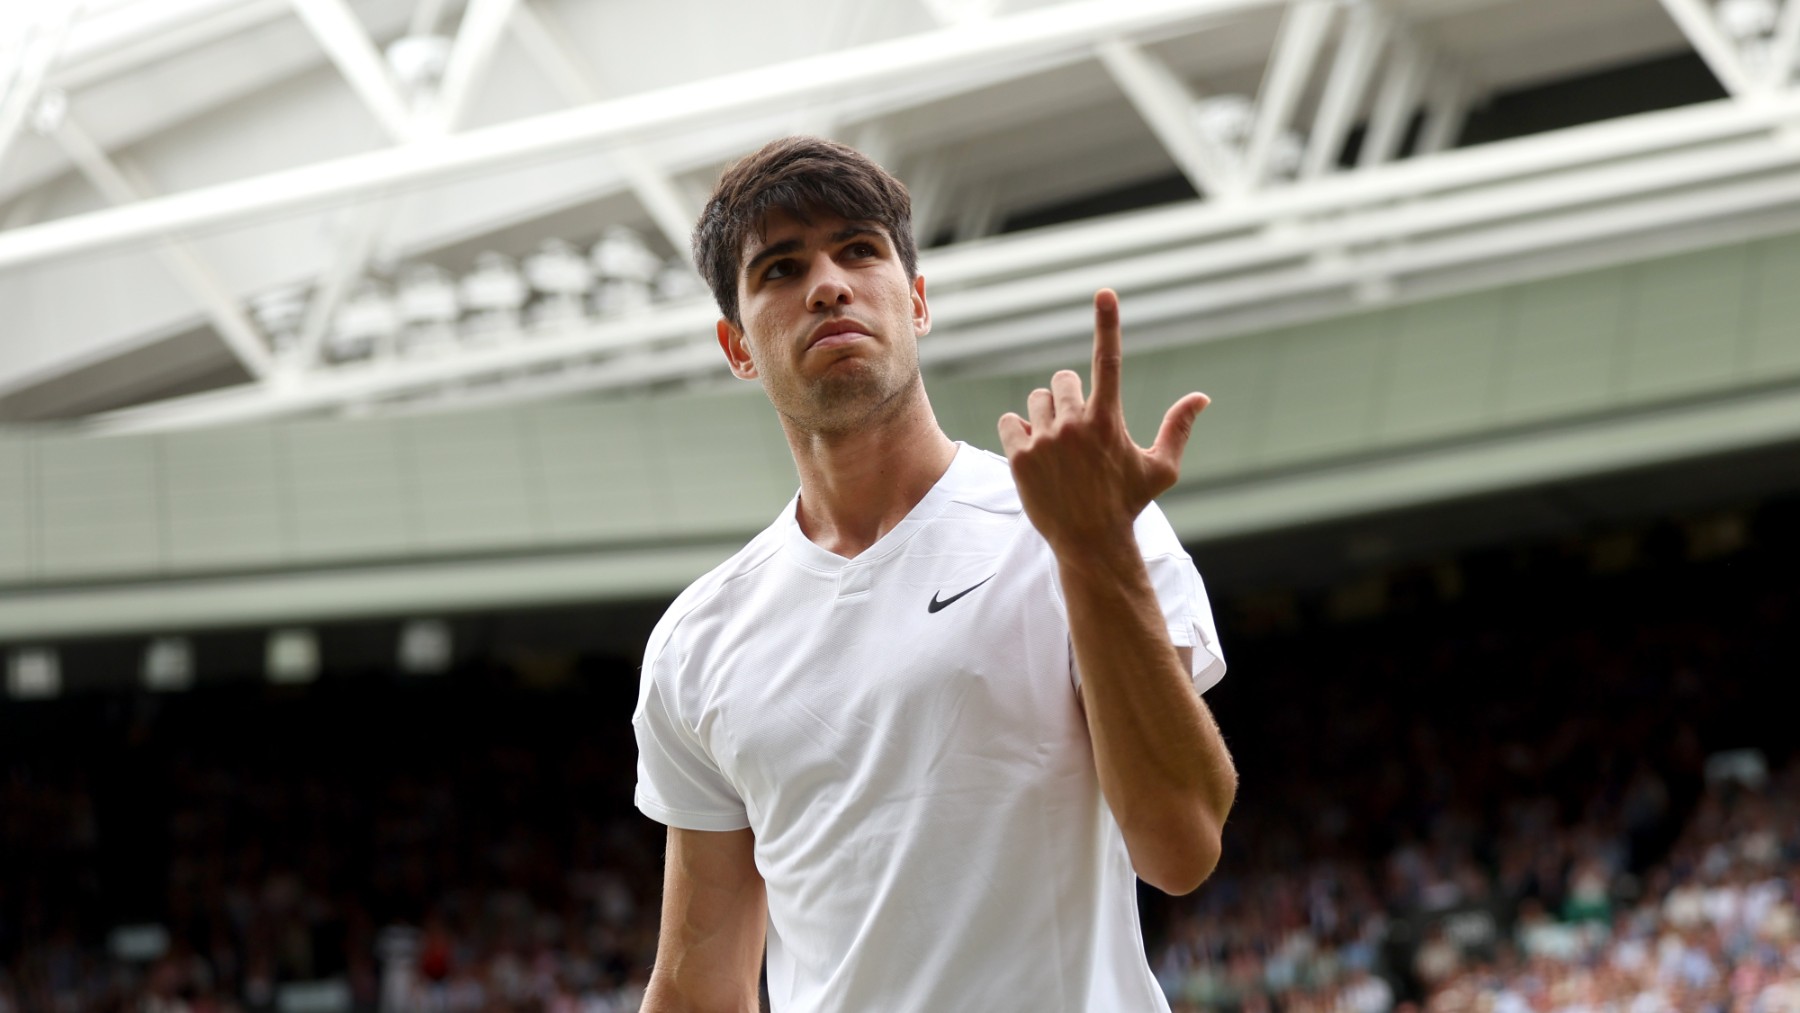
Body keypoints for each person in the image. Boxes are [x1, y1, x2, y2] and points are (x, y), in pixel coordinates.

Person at [631, 135, 1238, 1012]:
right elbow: (698, 983)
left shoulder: (1076, 519)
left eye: (860, 249)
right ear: (737, 346)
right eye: (780, 269)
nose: (828, 283)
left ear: (916, 300)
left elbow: (1180, 847)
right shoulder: (698, 642)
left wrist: (1096, 547)